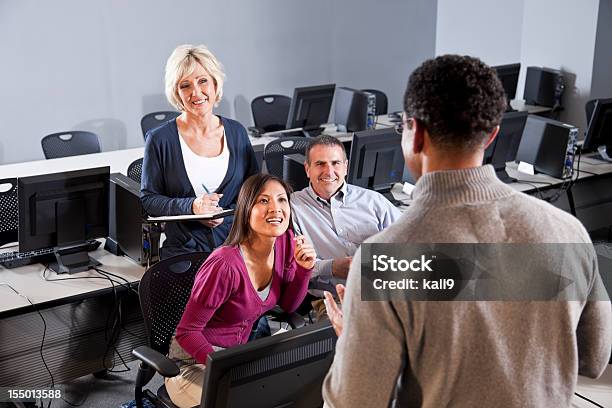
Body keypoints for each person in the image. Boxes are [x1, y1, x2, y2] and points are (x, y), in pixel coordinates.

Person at [322, 55, 611, 407]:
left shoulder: (386, 261)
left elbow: (357, 401)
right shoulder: (568, 231)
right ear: (491, 135)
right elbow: (594, 358)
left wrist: (355, 343)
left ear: (416, 134)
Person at [166, 173, 316, 408]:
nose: (275, 208)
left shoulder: (286, 242)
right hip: (192, 364)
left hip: (238, 357)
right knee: (253, 400)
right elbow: (186, 333)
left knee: (302, 384)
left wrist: (304, 270)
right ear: (246, 210)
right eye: (263, 201)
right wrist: (228, 367)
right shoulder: (225, 265)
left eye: (281, 200)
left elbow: (288, 306)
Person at [141, 44, 258, 258]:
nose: (196, 92)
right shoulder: (159, 139)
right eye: (185, 85)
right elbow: (149, 200)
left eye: (202, 81)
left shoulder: (237, 132)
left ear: (215, 83)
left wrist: (225, 215)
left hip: (236, 248)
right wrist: (192, 206)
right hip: (185, 252)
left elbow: (254, 192)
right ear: (176, 92)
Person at [291, 135, 400, 314]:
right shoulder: (292, 207)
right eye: (320, 164)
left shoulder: (373, 200)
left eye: (335, 163)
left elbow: (411, 242)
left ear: (346, 167)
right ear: (307, 169)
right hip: (335, 301)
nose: (329, 171)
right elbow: (289, 268)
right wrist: (332, 267)